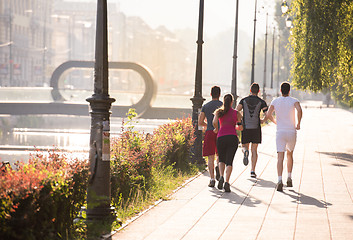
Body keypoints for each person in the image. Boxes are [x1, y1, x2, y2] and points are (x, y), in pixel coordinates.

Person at [263, 82, 302, 192]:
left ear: (280, 91)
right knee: (290, 154)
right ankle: (289, 177)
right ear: (289, 90)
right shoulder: (294, 101)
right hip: (291, 131)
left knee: (280, 157)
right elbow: (299, 110)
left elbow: (268, 114)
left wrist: (275, 121)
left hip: (280, 132)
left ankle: (279, 180)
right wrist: (298, 123)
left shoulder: (275, 101)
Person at [236, 83, 268, 178]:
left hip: (246, 127)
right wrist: (263, 121)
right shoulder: (262, 102)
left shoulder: (243, 100)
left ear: (250, 90)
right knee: (254, 149)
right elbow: (267, 114)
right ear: (258, 91)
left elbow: (236, 111)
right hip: (256, 127)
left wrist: (240, 121)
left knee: (244, 146)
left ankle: (245, 151)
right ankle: (253, 171)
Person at [213, 94, 243, 192]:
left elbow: (214, 122)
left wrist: (217, 128)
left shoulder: (219, 112)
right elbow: (240, 127)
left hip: (221, 137)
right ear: (232, 102)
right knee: (229, 161)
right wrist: (236, 127)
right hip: (232, 138)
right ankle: (226, 182)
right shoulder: (236, 113)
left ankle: (221, 176)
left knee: (221, 159)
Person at [198, 86, 223, 187]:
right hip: (221, 132)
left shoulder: (205, 106)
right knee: (220, 155)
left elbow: (200, 122)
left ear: (211, 94)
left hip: (209, 132)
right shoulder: (223, 105)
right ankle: (219, 169)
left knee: (210, 157)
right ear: (219, 94)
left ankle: (212, 179)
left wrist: (208, 125)